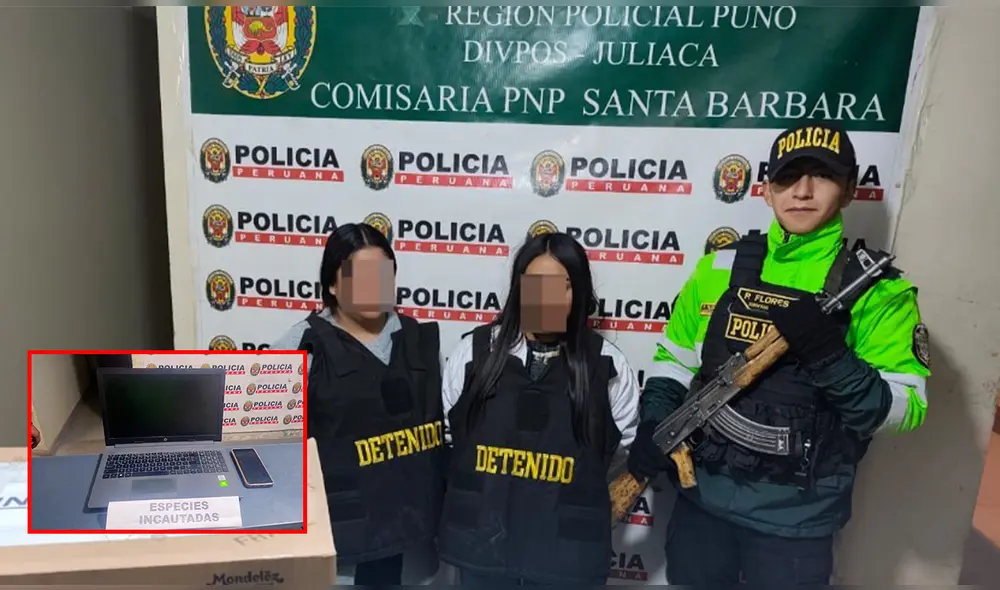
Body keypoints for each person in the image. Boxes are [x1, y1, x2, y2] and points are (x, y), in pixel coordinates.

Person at [627, 122, 931, 585]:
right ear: (767, 190)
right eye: (788, 177)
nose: (803, 192)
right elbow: (675, 360)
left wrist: (829, 354)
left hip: (796, 523)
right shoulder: (720, 267)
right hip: (702, 504)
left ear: (849, 190)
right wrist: (656, 423)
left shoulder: (876, 292)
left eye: (822, 176)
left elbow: (906, 410)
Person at [437, 231, 641, 586]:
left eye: (560, 285)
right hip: (484, 556)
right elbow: (450, 436)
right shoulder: (473, 353)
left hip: (565, 562)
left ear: (579, 292)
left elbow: (620, 452)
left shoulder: (608, 365)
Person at [271, 222, 445, 586]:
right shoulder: (300, 346)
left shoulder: (418, 339)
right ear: (332, 285)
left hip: (411, 537)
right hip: (340, 544)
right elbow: (273, 450)